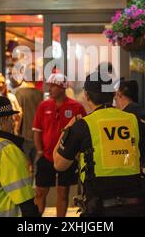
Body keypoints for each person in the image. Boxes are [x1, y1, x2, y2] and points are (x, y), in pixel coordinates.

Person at [53, 71, 145, 217]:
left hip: (100, 208)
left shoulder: (83, 125)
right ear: (113, 94)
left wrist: (67, 129)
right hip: (135, 205)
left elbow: (59, 164)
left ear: (87, 96)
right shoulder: (134, 120)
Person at [32, 73, 86, 217]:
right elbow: (37, 130)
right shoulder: (43, 106)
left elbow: (83, 132)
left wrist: (76, 154)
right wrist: (40, 151)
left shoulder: (76, 107)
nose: (50, 89)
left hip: (66, 157)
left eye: (53, 86)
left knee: (63, 193)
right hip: (47, 157)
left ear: (62, 88)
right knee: (40, 192)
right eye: (49, 86)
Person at [114, 79, 145, 165]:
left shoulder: (132, 112)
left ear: (119, 93)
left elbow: (143, 136)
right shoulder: (136, 110)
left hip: (131, 161)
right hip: (127, 160)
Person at [15, 66, 44, 174]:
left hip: (24, 135)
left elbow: (18, 114)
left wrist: (16, 131)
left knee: (25, 167)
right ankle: (36, 189)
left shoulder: (20, 93)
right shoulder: (40, 94)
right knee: (37, 167)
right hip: (38, 135)